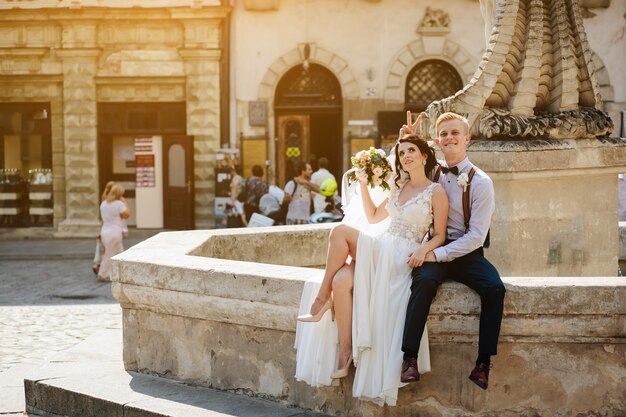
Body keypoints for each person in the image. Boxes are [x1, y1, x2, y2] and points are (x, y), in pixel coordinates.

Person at [295, 134, 449, 406]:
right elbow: (374, 217)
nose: (406, 157)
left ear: (424, 155)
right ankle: (345, 352)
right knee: (342, 281)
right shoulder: (399, 188)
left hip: (401, 254)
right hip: (381, 246)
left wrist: (423, 251)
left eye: (411, 151)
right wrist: (364, 185)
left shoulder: (436, 191)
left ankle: (321, 299)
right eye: (402, 153)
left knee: (339, 231)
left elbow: (440, 235)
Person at [400, 111, 506, 390]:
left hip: (465, 252)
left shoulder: (481, 182)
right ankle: (409, 358)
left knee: (495, 288)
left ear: (466, 139)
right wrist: (404, 140)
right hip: (435, 243)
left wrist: (437, 254)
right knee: (422, 281)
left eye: (454, 133)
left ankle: (483, 363)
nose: (449, 138)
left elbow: (476, 237)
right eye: (444, 134)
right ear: (437, 140)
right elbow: (402, 165)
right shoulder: (431, 170)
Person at [98, 183, 130, 282]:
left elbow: (102, 219)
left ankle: (120, 273)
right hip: (115, 231)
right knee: (110, 253)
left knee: (119, 252)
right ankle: (102, 273)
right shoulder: (119, 204)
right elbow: (127, 215)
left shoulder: (103, 204)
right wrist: (125, 203)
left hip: (105, 230)